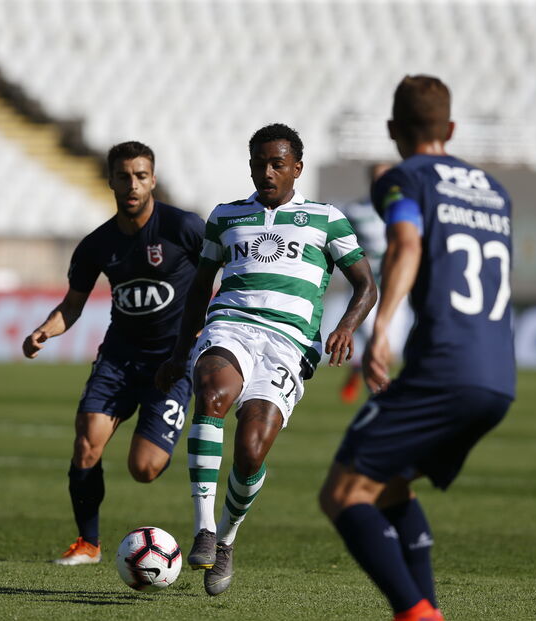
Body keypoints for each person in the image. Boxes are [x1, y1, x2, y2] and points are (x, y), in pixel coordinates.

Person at [318, 75, 516, 621]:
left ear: (391, 129)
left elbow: (407, 242)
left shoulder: (404, 177)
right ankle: (428, 609)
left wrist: (380, 328)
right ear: (450, 128)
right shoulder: (494, 190)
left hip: (444, 368)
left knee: (343, 493)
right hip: (499, 375)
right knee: (390, 484)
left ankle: (416, 615)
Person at [157, 123, 377, 596]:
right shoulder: (226, 216)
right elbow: (200, 288)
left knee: (252, 448)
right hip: (229, 325)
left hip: (289, 342)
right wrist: (179, 351)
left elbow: (366, 285)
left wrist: (344, 327)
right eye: (259, 163)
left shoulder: (326, 219)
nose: (267, 171)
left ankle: (228, 538)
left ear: (297, 168)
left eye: (277, 163)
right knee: (213, 393)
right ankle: (204, 530)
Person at [23, 141, 205, 566]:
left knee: (143, 469)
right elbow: (71, 307)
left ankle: (165, 430)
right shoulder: (96, 245)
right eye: (123, 176)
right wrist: (43, 332)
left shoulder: (184, 228)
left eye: (141, 176)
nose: (132, 184)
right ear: (110, 180)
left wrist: (202, 330)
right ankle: (87, 543)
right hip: (119, 358)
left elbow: (221, 273)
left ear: (153, 179)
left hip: (172, 363)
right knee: (86, 442)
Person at [337, 162, 391, 404]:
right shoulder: (355, 210)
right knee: (374, 337)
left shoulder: (405, 210)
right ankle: (380, 395)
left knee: (388, 342)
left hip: (396, 286)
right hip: (369, 285)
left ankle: (360, 370)